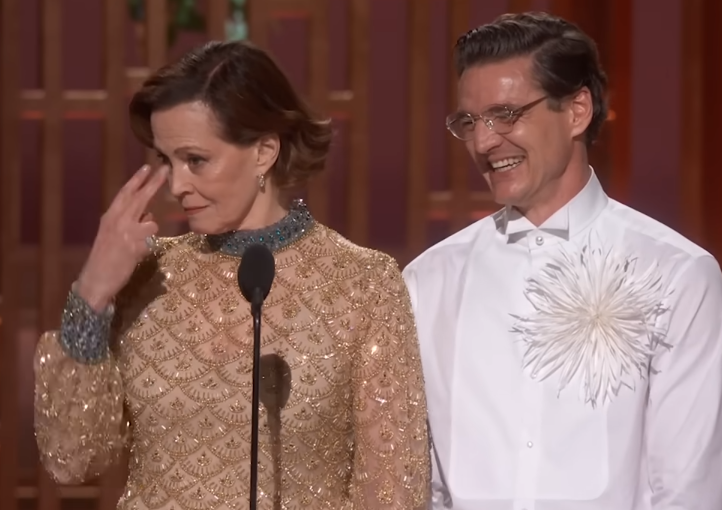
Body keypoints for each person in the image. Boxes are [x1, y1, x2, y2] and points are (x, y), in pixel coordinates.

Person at [32, 41, 430, 510]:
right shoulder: (143, 277)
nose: (177, 185)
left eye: (195, 160)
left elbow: (392, 492)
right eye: (166, 160)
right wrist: (93, 291)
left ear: (263, 151)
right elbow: (71, 459)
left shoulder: (364, 285)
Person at [404, 12, 722, 509]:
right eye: (470, 122)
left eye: (506, 114)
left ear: (577, 110)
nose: (484, 142)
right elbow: (418, 480)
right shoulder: (428, 281)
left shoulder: (676, 275)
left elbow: (690, 489)